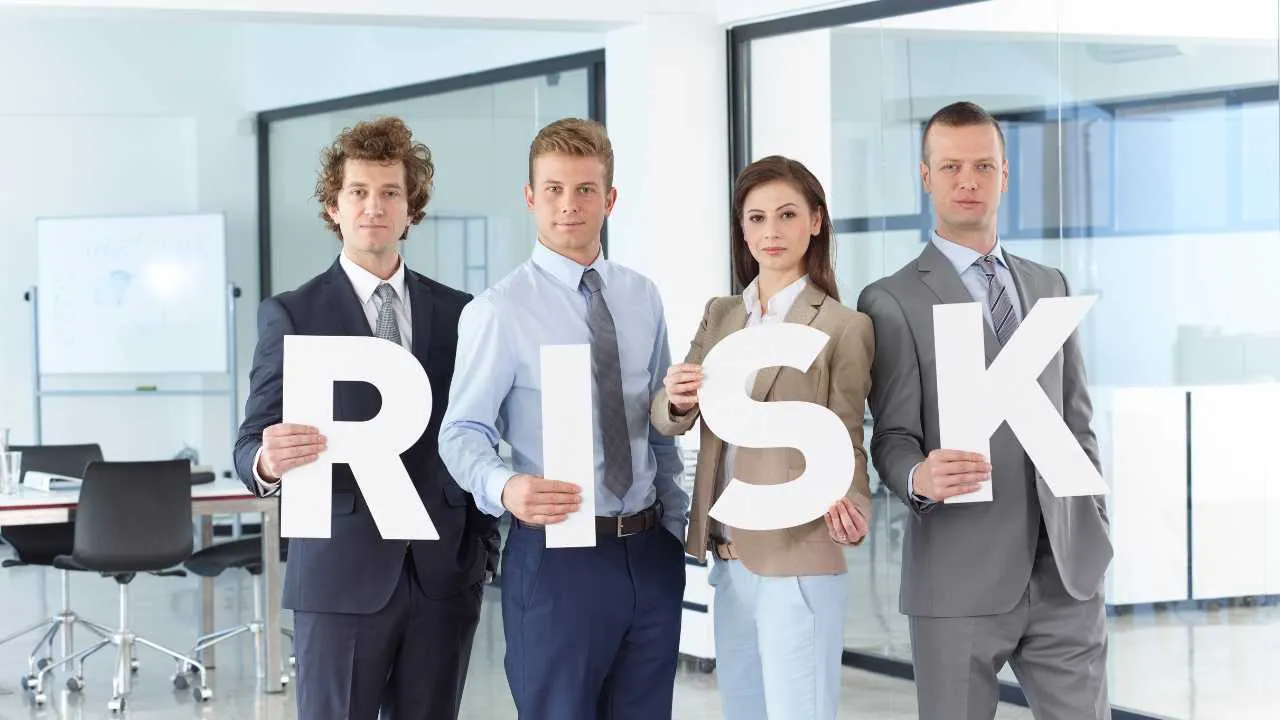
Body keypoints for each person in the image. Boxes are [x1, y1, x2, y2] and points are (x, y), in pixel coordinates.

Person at [233, 116, 497, 720]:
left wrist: (481, 550)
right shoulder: (292, 315)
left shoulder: (462, 314)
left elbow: (478, 431)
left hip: (442, 574)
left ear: (411, 209)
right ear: (334, 206)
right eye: (358, 192)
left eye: (390, 193)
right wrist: (268, 459)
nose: (373, 207)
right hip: (339, 576)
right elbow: (250, 439)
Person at [856, 101, 1113, 720]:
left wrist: (1095, 519)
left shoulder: (1048, 283)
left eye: (982, 165)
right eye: (950, 167)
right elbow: (890, 433)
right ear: (926, 177)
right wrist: (917, 476)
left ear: (1004, 175)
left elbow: (1075, 420)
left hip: (1066, 571)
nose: (967, 180)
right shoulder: (891, 299)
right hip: (958, 573)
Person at [438, 117, 690, 720]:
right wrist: (506, 487)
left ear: (610, 198)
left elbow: (657, 422)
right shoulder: (498, 311)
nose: (569, 206)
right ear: (530, 197)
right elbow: (461, 431)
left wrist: (678, 529)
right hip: (557, 558)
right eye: (552, 189)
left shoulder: (641, 296)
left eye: (584, 189)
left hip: (649, 552)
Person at [651, 155, 874, 720]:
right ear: (741, 228)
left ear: (817, 222)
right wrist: (676, 397)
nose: (770, 232)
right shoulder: (721, 315)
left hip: (798, 556)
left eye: (787, 214)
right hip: (727, 558)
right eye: (755, 218)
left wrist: (856, 504)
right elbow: (666, 417)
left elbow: (846, 432)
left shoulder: (843, 326)